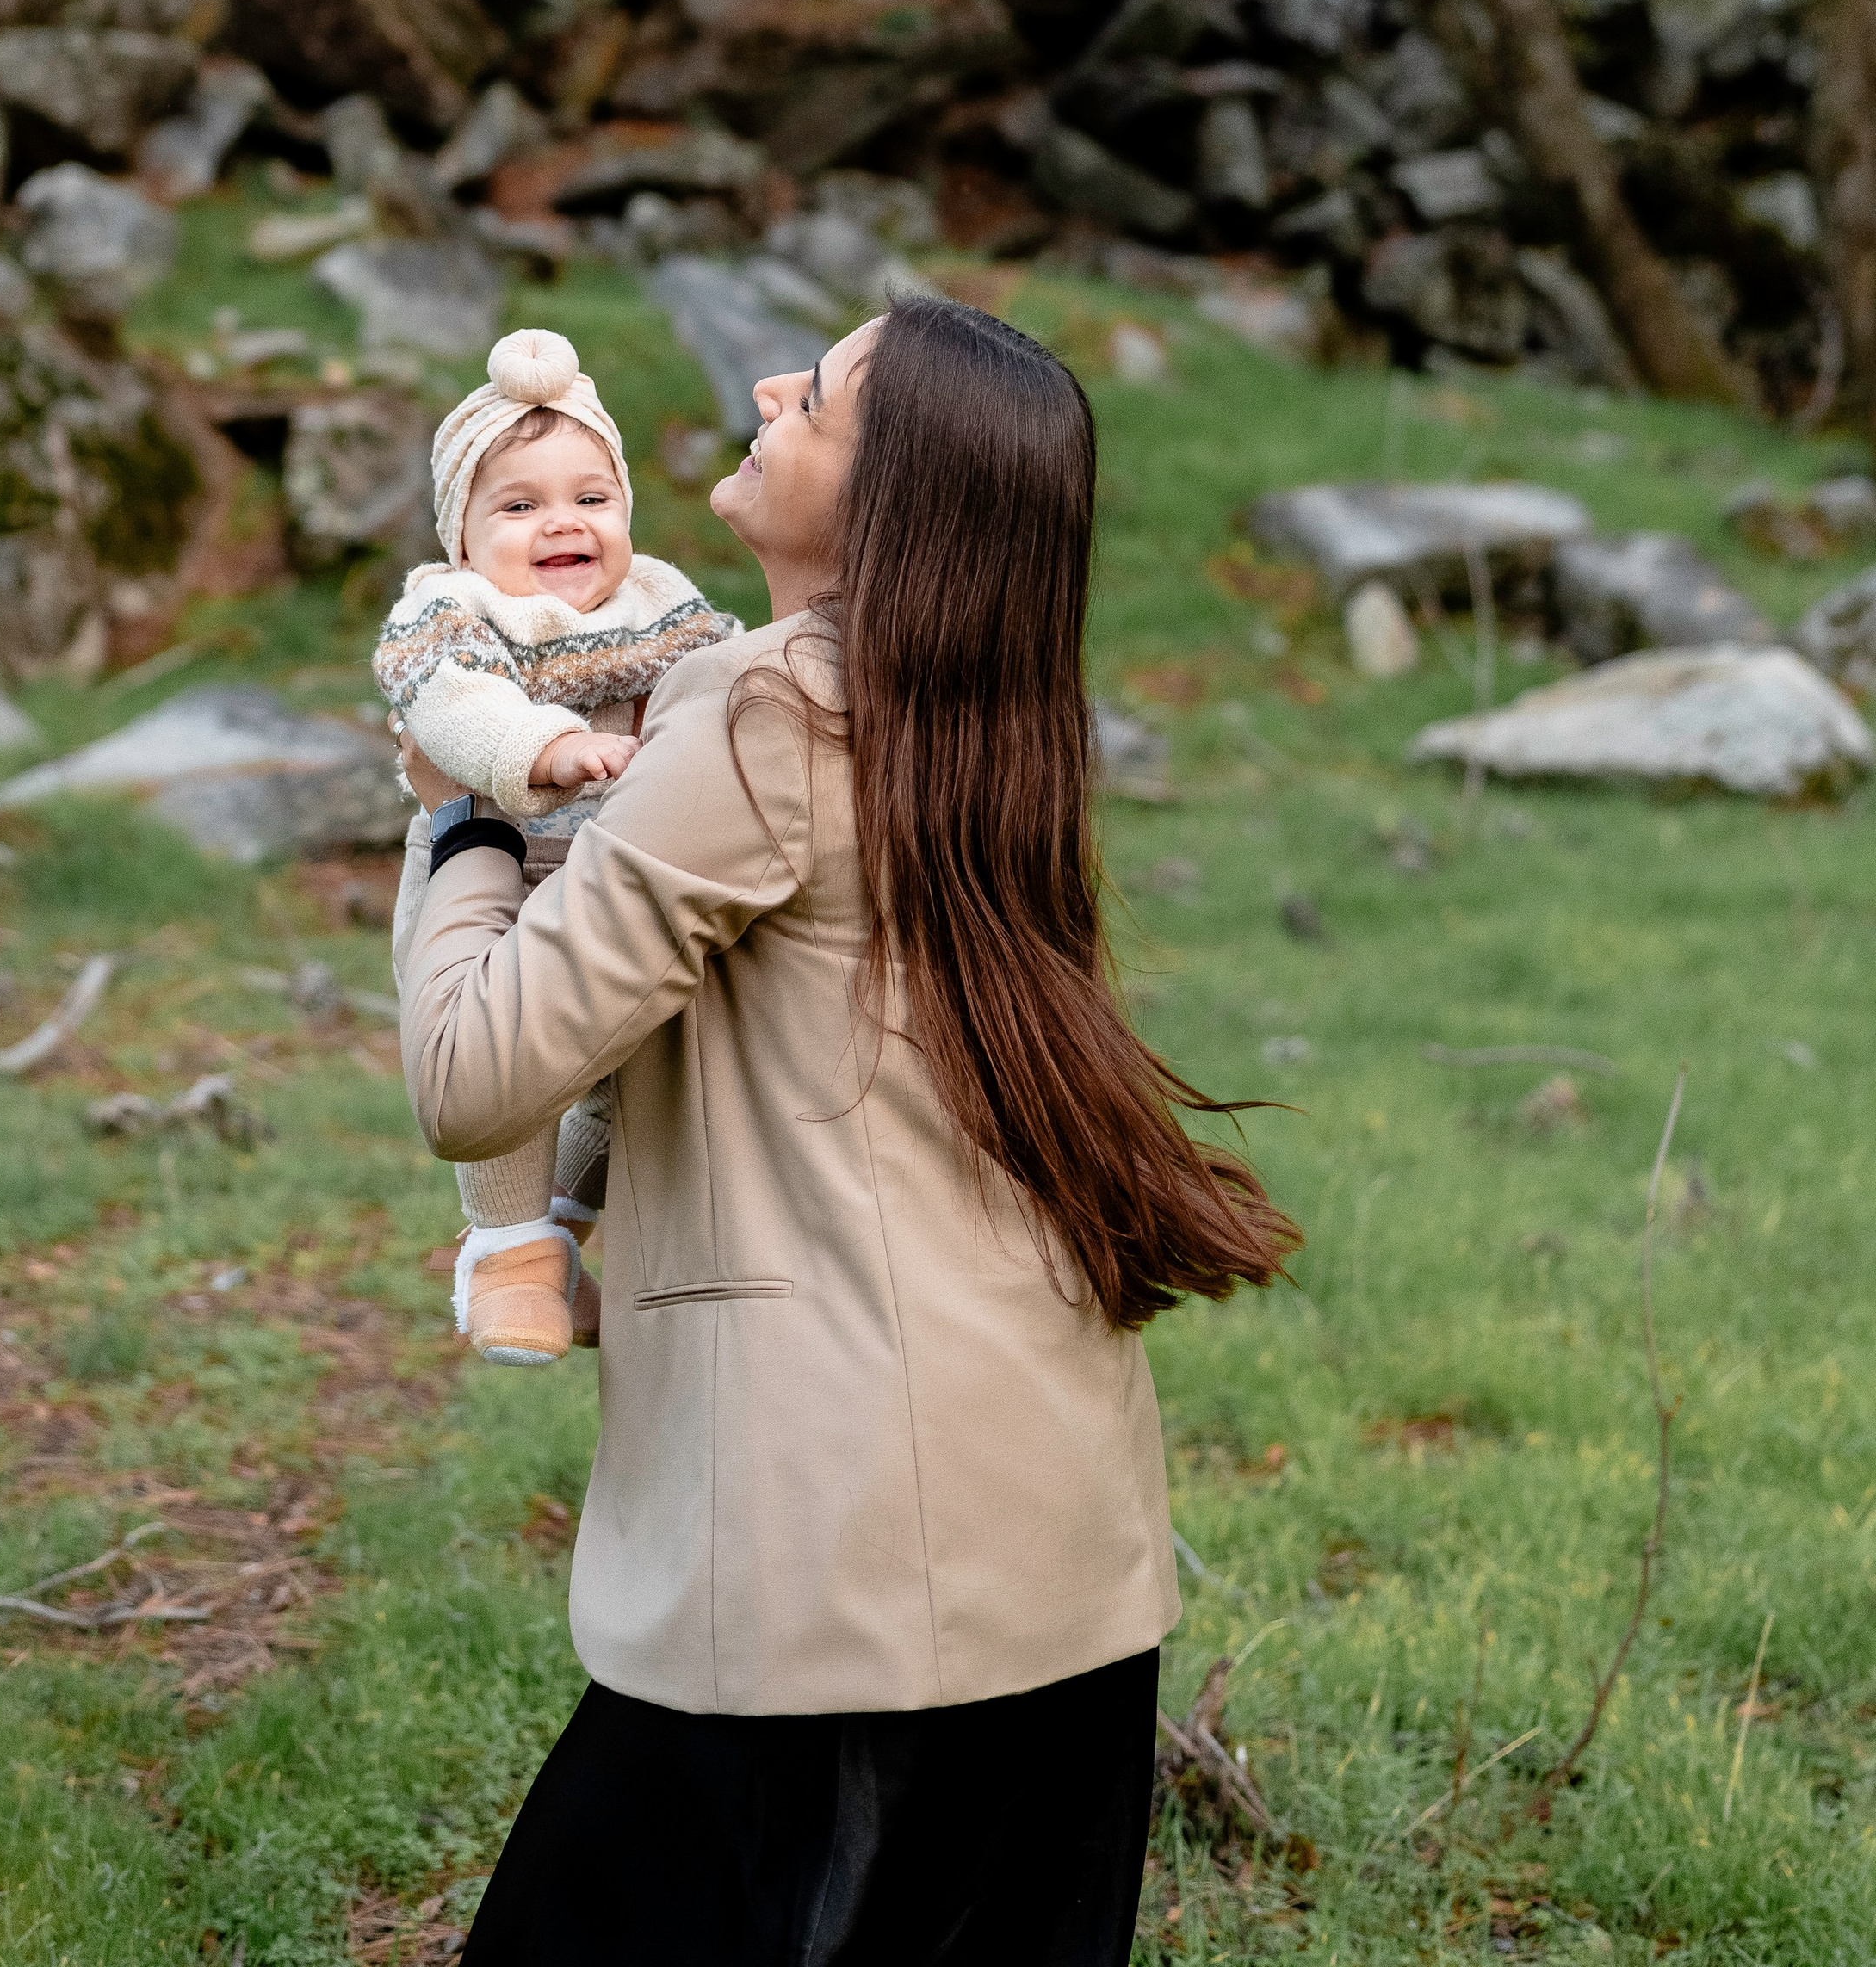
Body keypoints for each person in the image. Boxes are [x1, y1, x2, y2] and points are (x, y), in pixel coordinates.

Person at [394, 297, 1300, 1965]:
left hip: (834, 1582)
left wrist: (460, 823)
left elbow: (473, 1070)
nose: (762, 387)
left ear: (888, 500)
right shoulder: (986, 718)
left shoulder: (759, 709)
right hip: (1064, 1547)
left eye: (812, 394)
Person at [375, 326, 737, 1366]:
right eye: (519, 505)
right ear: (462, 535)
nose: (561, 524)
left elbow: (709, 683)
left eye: (591, 497)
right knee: (513, 1063)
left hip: (613, 886)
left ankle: (567, 1223)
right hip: (495, 881)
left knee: (635, 1078)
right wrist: (553, 744)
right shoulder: (454, 607)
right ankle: (507, 1254)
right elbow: (451, 709)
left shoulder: (660, 601)